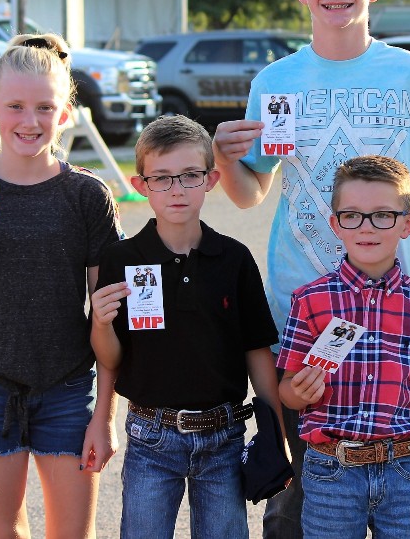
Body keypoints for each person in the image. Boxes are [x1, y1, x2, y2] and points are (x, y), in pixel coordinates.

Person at [212, 0, 410, 539]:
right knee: (298, 500)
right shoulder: (276, 82)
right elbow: (252, 192)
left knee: (395, 488)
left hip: (393, 317)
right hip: (300, 314)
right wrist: (223, 156)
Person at [0, 33, 124, 538]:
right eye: (15, 106)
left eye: (44, 107)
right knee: (1, 531)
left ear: (66, 112)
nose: (30, 121)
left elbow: (108, 321)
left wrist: (105, 415)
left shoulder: (87, 196)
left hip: (68, 387)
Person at [89, 115, 284, 539]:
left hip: (224, 436)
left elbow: (256, 348)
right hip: (150, 436)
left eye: (190, 175)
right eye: (161, 178)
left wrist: (277, 432)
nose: (176, 189)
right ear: (141, 185)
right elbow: (110, 358)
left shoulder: (234, 259)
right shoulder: (121, 260)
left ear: (211, 179)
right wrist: (101, 324)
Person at [277, 155, 410, 539]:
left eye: (382, 215)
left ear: (407, 224)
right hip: (331, 473)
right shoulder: (310, 301)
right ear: (335, 224)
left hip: (406, 472)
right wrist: (298, 392)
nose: (366, 227)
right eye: (352, 215)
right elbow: (287, 391)